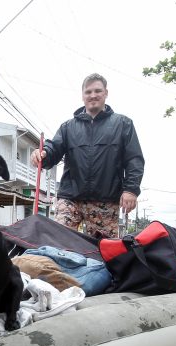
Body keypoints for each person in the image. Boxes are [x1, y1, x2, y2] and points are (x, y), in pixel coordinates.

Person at [31, 73, 144, 239]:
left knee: (103, 251)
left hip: (105, 199)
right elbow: (53, 148)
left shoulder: (123, 124)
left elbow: (134, 159)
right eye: (88, 92)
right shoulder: (68, 127)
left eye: (97, 91)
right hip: (70, 198)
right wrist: (43, 153)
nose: (93, 95)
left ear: (106, 93)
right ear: (82, 95)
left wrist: (131, 190)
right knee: (57, 241)